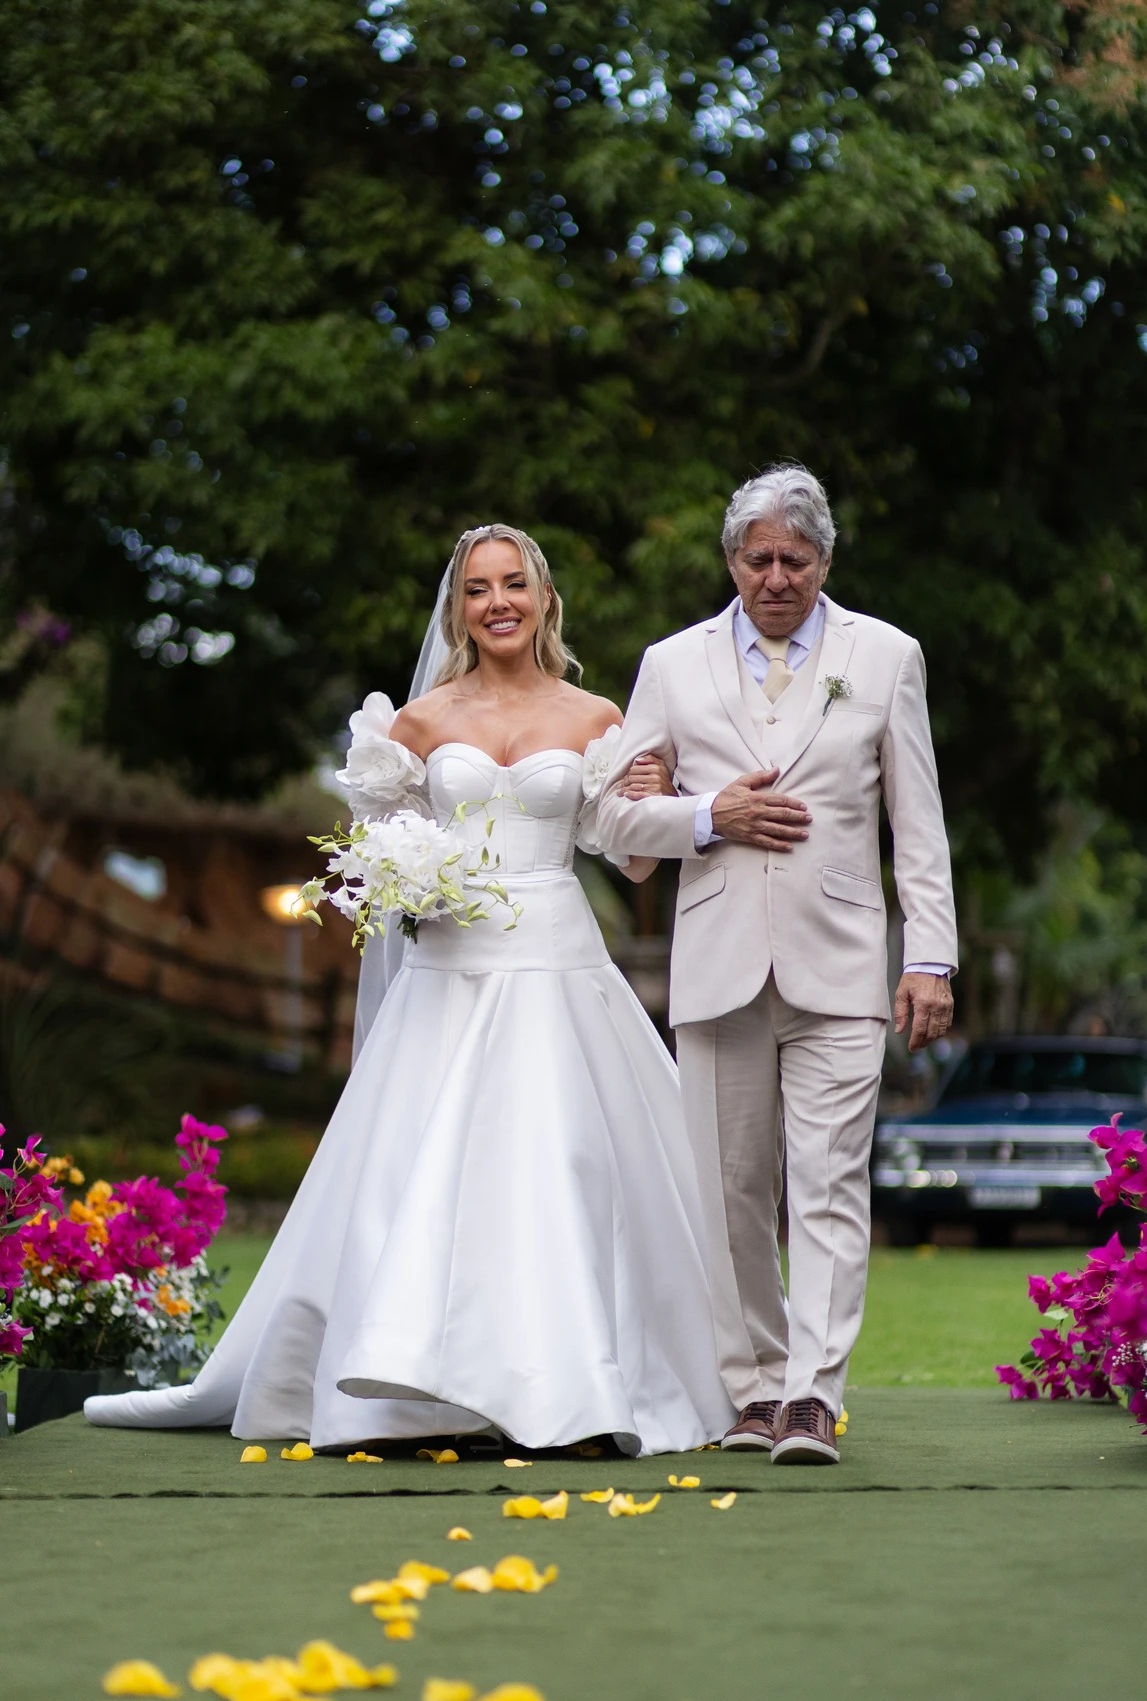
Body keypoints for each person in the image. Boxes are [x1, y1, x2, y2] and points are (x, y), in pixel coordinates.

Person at [84, 524, 733, 1456]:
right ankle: (406, 1396)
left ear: (545, 598)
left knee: (565, 1168)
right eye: (479, 589)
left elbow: (630, 862)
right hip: (450, 972)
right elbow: (371, 862)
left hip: (557, 962)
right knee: (416, 1178)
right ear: (458, 608)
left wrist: (651, 781)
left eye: (515, 584)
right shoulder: (417, 724)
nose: (499, 602)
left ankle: (581, 1393)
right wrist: (402, 875)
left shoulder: (599, 718)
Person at [597, 466, 957, 1465]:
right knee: (729, 1191)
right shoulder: (671, 665)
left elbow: (916, 824)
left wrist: (929, 955)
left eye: (795, 560)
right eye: (757, 559)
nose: (775, 577)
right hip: (715, 960)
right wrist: (708, 815)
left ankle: (812, 1396)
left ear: (825, 561)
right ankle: (753, 1388)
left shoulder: (884, 657)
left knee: (833, 1183)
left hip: (842, 963)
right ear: (729, 562)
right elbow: (612, 822)